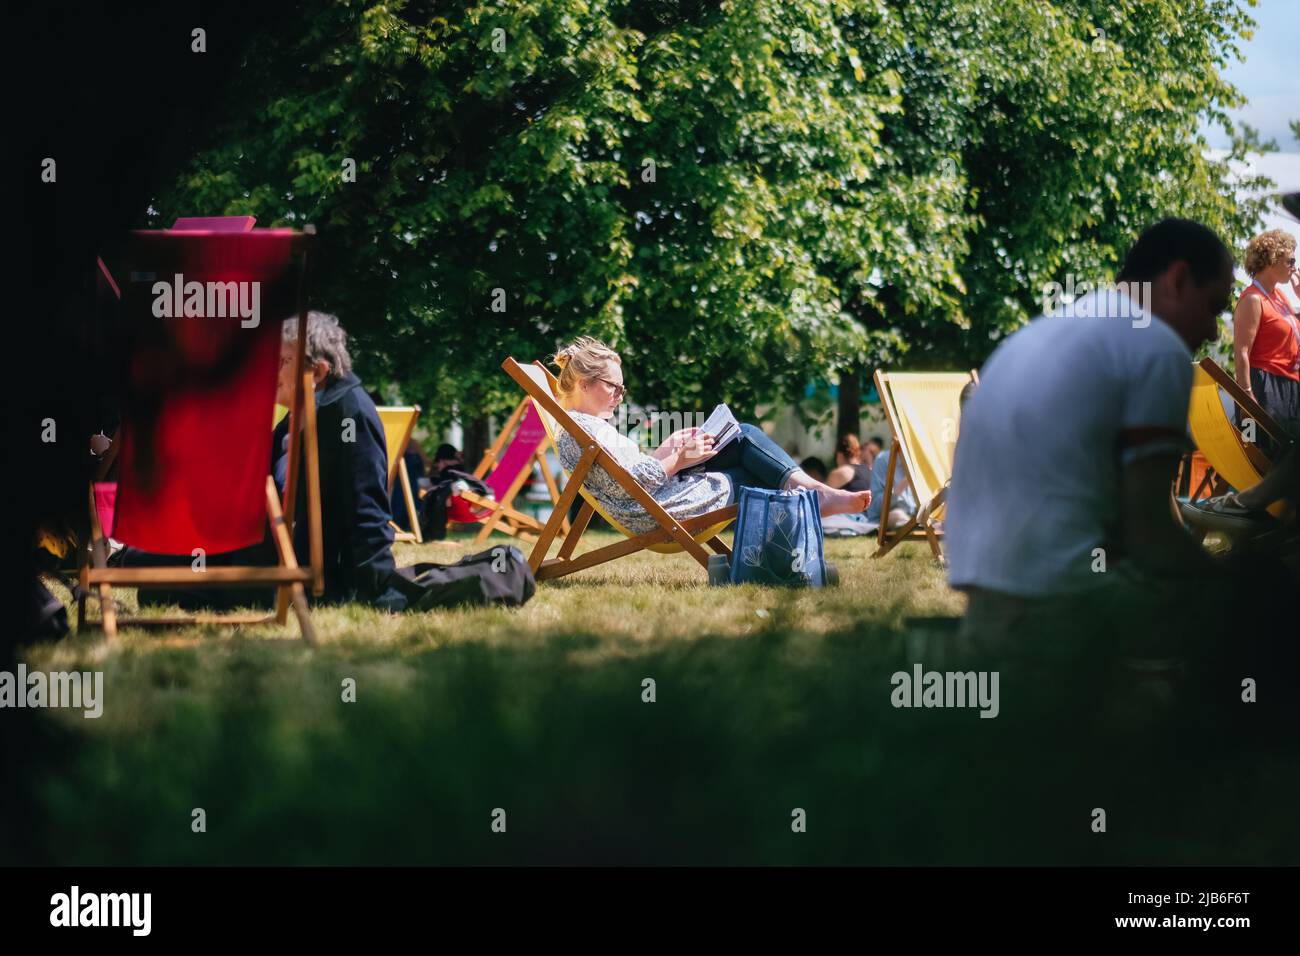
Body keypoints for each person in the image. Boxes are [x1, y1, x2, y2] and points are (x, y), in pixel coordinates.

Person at [945, 218, 1237, 653]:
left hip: (986, 598)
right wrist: (1231, 586)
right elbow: (1150, 535)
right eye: (1214, 306)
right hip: (1062, 603)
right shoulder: (1157, 348)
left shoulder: (1047, 331)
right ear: (1177, 279)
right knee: (1263, 602)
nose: (1214, 331)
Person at [130, 311, 407, 612]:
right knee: (143, 559)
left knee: (158, 589)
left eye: (282, 363)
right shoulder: (298, 414)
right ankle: (124, 558)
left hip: (296, 574)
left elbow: (367, 511)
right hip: (255, 551)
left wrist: (380, 592)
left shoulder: (348, 417)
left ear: (318, 372)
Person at [549, 337, 870, 534]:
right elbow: (632, 486)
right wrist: (679, 457)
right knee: (744, 446)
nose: (620, 395)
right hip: (652, 509)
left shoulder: (588, 425)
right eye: (612, 386)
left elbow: (628, 476)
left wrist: (669, 449)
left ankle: (813, 498)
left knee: (740, 437)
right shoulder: (584, 430)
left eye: (622, 388)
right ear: (584, 384)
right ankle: (814, 497)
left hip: (654, 497)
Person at [1231, 228, 1300, 445]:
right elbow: (1241, 352)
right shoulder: (1253, 298)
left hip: (1289, 386)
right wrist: (1246, 397)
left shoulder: (1279, 296)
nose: (1294, 267)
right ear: (1272, 259)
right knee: (1264, 457)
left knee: (1289, 461)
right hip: (1264, 386)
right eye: (1290, 260)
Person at [865, 442, 916, 531]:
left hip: (917, 514)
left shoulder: (923, 461)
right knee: (897, 515)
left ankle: (916, 525)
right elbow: (876, 505)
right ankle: (913, 526)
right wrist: (899, 490)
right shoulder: (883, 461)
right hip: (889, 515)